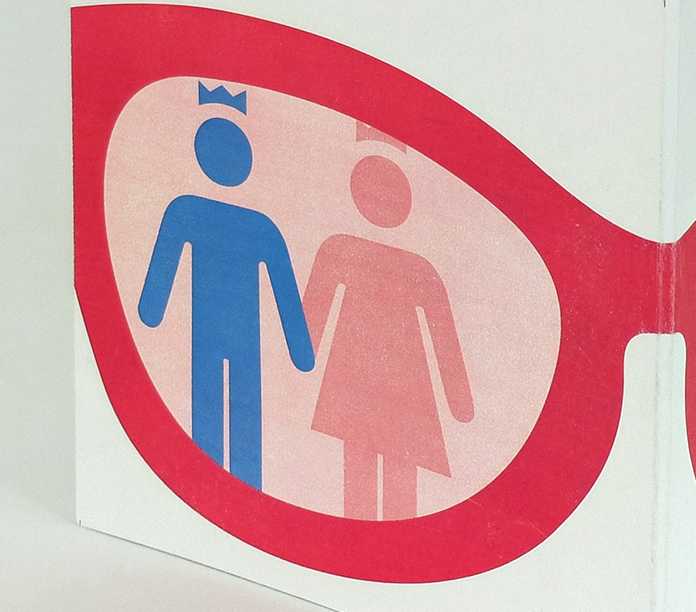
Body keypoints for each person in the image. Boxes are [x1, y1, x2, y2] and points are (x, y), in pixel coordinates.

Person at [138, 114, 314, 490]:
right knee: (216, 408)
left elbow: (284, 288)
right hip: (220, 333)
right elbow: (163, 268)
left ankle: (232, 491)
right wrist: (301, 352)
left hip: (229, 333)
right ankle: (219, 490)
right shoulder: (208, 214)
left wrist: (151, 310)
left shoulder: (201, 212)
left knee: (233, 410)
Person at [304, 155, 473, 520]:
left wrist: (460, 402)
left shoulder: (403, 264)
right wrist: (460, 404)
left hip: (398, 391)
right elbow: (313, 314)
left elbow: (443, 336)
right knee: (364, 466)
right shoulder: (343, 250)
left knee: (393, 471)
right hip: (365, 386)